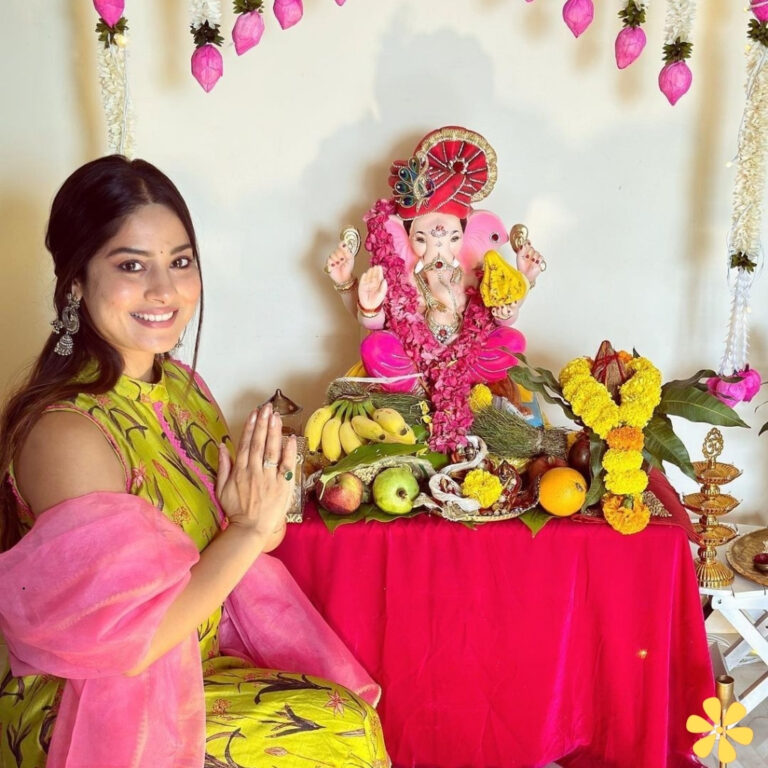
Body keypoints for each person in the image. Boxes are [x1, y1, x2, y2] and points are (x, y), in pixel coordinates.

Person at [0, 156, 388, 768]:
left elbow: (237, 546)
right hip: (95, 705)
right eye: (132, 266)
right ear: (75, 280)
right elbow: (135, 639)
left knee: (349, 713)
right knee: (332, 738)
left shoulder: (181, 388)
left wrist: (260, 515)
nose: (165, 291)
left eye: (180, 261)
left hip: (191, 666)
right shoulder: (65, 433)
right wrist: (249, 530)